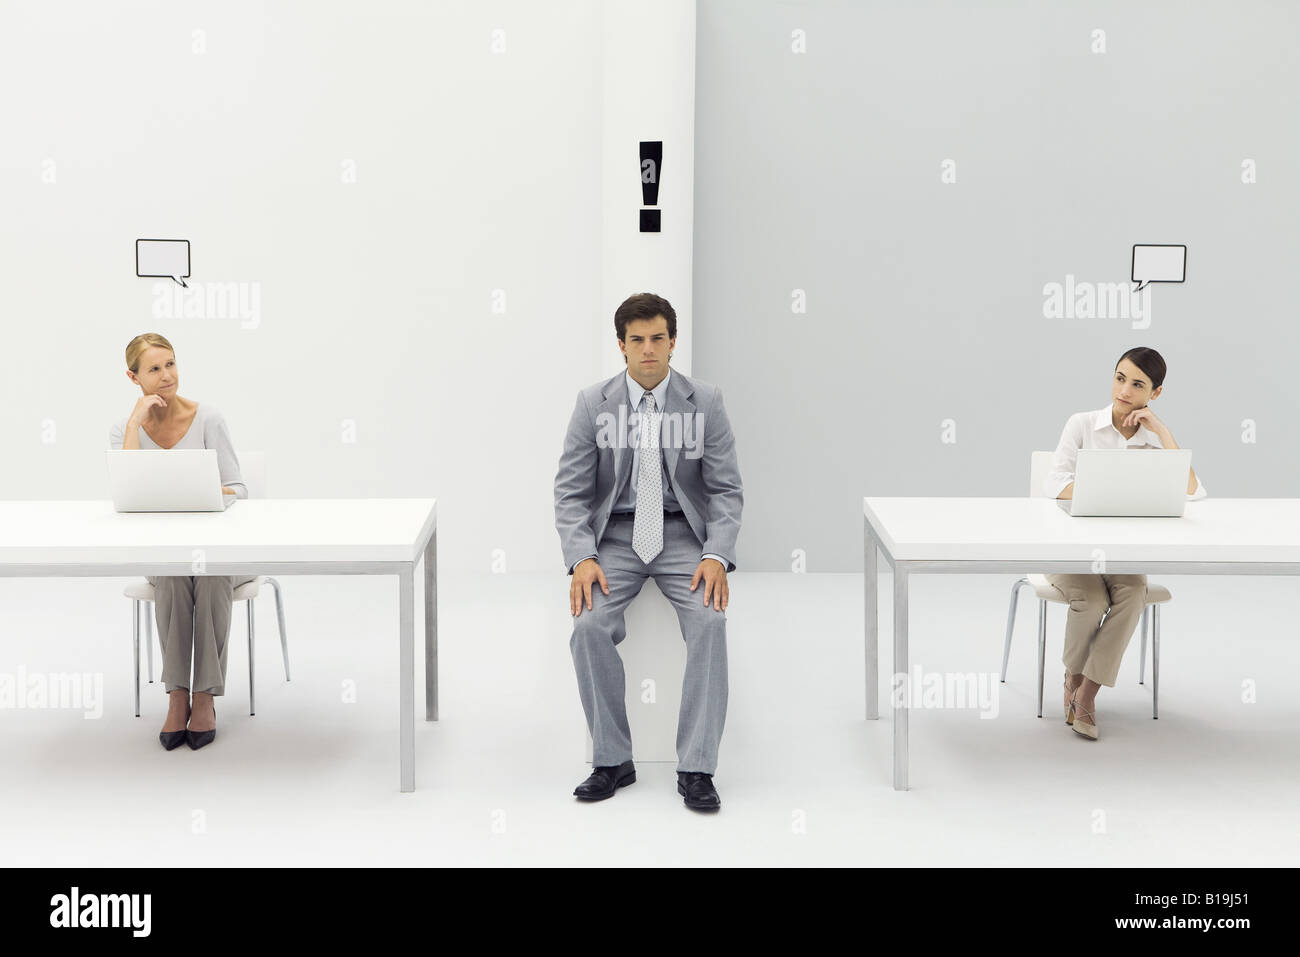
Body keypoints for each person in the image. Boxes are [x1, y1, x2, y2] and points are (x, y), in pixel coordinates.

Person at [554, 293, 743, 811]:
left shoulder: (705, 401)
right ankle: (612, 760)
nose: (648, 349)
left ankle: (698, 768)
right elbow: (570, 492)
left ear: (673, 341)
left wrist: (715, 555)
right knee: (588, 626)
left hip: (683, 536)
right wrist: (581, 557)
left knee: (709, 623)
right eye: (636, 340)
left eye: (658, 338)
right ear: (621, 346)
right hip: (614, 537)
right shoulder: (594, 404)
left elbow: (726, 489)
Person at [1042, 346, 1205, 740]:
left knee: (1132, 591)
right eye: (1120, 378)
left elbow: (1193, 491)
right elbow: (1053, 483)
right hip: (1073, 551)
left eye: (1137, 384)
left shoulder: (1153, 439)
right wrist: (1106, 491)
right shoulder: (1081, 424)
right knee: (1093, 600)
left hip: (1124, 554)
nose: (1124, 390)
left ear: (1156, 393)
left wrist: (1163, 432)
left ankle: (1087, 694)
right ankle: (1073, 676)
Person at [110, 333, 255, 751]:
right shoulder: (124, 429)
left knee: (207, 576)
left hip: (221, 551)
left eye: (170, 364)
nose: (166, 376)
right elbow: (128, 494)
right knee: (175, 575)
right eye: (153, 369)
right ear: (133, 377)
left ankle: (205, 696)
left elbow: (239, 489)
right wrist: (136, 423)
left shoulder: (208, 418)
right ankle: (177, 696)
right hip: (167, 553)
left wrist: (205, 491)